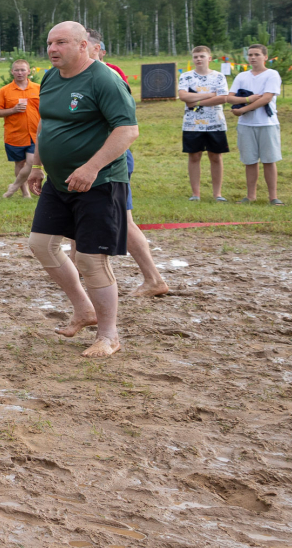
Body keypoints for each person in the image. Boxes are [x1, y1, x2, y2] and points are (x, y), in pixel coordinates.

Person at [25, 23, 137, 357]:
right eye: (49, 43)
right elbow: (46, 124)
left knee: (91, 259)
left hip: (100, 182)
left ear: (83, 45)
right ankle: (84, 309)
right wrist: (37, 165)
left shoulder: (104, 79)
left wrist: (91, 167)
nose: (52, 49)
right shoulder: (50, 77)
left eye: (61, 42)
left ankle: (108, 335)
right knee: (41, 245)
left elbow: (127, 131)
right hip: (59, 182)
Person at [87, 33, 170, 296]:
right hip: (89, 158)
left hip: (110, 158)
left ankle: (153, 279)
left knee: (123, 219)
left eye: (81, 44)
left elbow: (122, 124)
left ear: (96, 48)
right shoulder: (78, 74)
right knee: (80, 216)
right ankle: (82, 272)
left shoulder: (109, 74)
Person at [230, 44, 282, 204]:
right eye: (250, 54)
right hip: (246, 125)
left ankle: (273, 197)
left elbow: (266, 98)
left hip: (267, 123)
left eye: (257, 54)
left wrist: (243, 109)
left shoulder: (272, 74)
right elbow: (230, 97)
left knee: (269, 160)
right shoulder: (241, 76)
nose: (253, 57)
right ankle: (251, 196)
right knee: (250, 161)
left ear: (265, 57)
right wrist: (247, 99)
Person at [178, 46, 230, 202]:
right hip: (192, 124)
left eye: (202, 56)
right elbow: (183, 96)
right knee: (194, 156)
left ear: (209, 58)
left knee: (215, 156)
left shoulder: (219, 77)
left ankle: (217, 194)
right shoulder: (186, 76)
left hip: (216, 123)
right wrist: (210, 95)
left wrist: (196, 101)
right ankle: (196, 194)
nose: (198, 59)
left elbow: (222, 98)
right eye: (196, 57)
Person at [0, 59, 40, 199]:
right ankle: (25, 193)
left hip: (35, 133)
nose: (20, 73)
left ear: (28, 71)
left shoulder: (38, 88)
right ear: (12, 72)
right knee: (19, 163)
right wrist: (13, 110)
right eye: (17, 70)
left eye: (23, 70)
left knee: (31, 162)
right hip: (15, 134)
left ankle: (13, 187)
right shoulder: (5, 91)